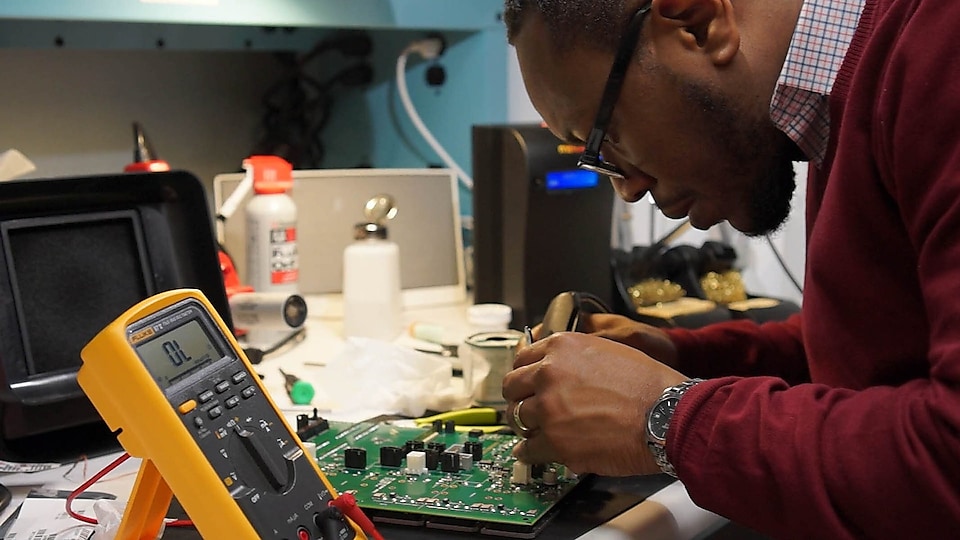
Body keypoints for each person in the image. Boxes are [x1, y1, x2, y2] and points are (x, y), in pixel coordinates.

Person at [499, 0, 960, 538]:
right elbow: (872, 350)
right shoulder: (847, 103)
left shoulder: (942, 48)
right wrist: (682, 358)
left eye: (607, 138)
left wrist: (664, 418)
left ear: (696, 21)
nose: (625, 188)